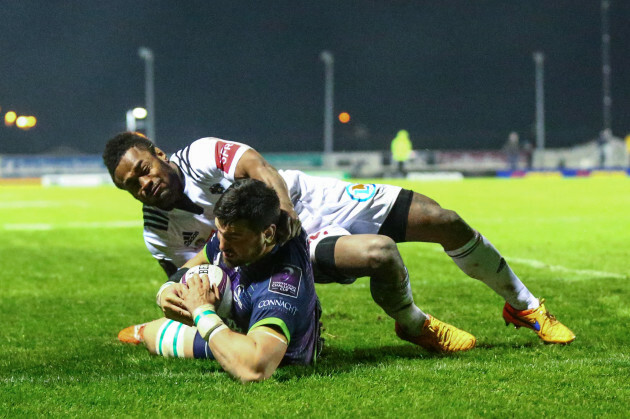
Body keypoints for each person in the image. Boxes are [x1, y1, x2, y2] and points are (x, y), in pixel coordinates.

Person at [104, 132, 575, 350]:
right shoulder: (158, 232)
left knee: (443, 219)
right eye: (131, 184)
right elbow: (201, 285)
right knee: (378, 253)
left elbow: (261, 169)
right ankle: (413, 324)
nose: (143, 184)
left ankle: (525, 305)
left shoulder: (202, 155)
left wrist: (285, 212)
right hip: (289, 249)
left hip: (309, 200)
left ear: (158, 153)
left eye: (143, 169)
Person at [121, 179, 322, 383]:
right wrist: (167, 288)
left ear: (268, 234)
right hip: (239, 314)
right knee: (153, 334)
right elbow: (199, 259)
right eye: (219, 231)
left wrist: (202, 311)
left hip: (270, 352)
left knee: (153, 337)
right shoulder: (244, 230)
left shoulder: (281, 285)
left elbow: (254, 369)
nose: (222, 244)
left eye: (234, 236)